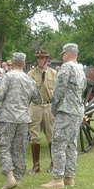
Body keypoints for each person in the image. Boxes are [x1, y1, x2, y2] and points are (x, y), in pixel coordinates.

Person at [0, 52, 42, 189]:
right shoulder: (29, 80)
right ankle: (18, 179)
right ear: (23, 64)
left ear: (12, 64)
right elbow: (38, 100)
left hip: (7, 118)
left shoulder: (7, 77)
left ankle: (10, 177)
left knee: (4, 147)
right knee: (19, 149)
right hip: (23, 119)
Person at [42, 43, 86, 189]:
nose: (62, 57)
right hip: (77, 110)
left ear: (66, 54)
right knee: (71, 145)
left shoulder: (67, 67)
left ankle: (58, 179)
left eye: (63, 54)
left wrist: (54, 109)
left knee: (58, 144)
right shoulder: (80, 68)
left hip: (66, 110)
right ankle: (69, 178)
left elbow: (59, 89)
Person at [27, 46, 57, 174]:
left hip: (49, 106)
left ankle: (53, 163)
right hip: (35, 106)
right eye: (38, 57)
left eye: (42, 57)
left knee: (51, 136)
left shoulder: (54, 73)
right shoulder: (31, 74)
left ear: (47, 59)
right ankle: (36, 165)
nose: (40, 60)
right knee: (34, 136)